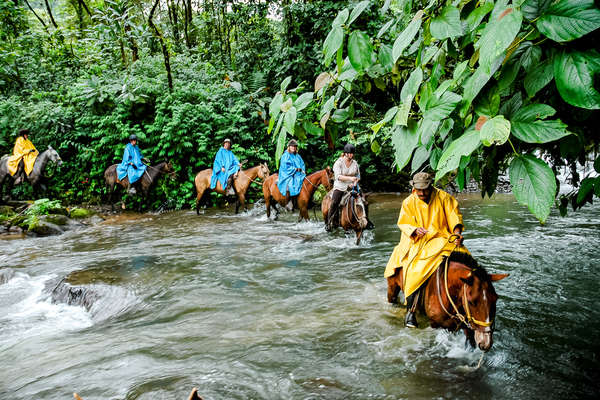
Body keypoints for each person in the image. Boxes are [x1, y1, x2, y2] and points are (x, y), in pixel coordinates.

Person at [383, 172, 467, 328]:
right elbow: (403, 222)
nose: (421, 193)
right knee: (415, 269)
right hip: (418, 241)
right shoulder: (409, 202)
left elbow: (454, 217)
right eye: (418, 190)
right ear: (414, 187)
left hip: (442, 237)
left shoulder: (445, 198)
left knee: (466, 261)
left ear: (431, 186)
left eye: (424, 189)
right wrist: (414, 230)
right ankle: (411, 310)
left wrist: (457, 234)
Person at [326, 143, 361, 231]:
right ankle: (329, 223)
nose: (351, 155)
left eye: (352, 153)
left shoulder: (355, 163)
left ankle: (365, 220)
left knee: (363, 200)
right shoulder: (338, 163)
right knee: (334, 203)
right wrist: (350, 178)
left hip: (352, 186)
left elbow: (358, 176)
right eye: (349, 153)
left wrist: (355, 182)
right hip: (340, 186)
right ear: (345, 153)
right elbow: (338, 177)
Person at [277, 139, 306, 209]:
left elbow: (302, 164)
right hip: (286, 174)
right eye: (292, 146)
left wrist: (302, 170)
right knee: (289, 184)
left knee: (303, 182)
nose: (294, 148)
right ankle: (288, 202)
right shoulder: (285, 155)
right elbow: (285, 167)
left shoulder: (298, 156)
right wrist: (295, 169)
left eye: (295, 146)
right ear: (289, 147)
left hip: (297, 174)